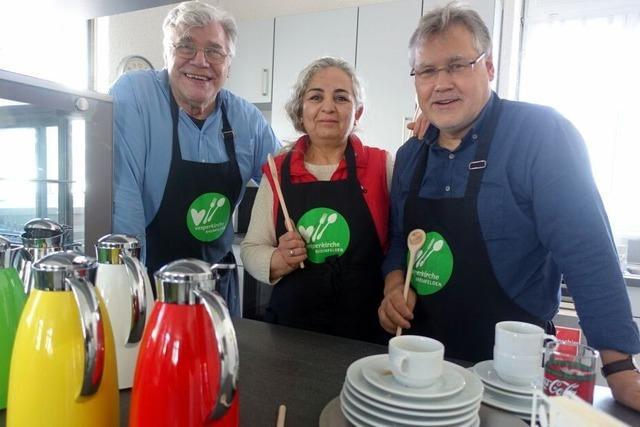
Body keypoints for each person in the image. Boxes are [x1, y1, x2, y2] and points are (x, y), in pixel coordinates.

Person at [378, 3, 640, 410]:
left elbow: (586, 252)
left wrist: (620, 367)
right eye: (427, 71)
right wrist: (395, 286)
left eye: (457, 65)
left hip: (511, 377)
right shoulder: (410, 156)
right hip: (423, 370)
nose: (441, 83)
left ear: (490, 67)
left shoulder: (541, 135)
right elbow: (399, 240)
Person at [110, 1, 280, 316]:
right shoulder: (136, 96)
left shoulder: (246, 119)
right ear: (167, 55)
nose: (200, 61)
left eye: (215, 51)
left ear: (229, 65)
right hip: (151, 287)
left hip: (217, 291)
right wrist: (130, 296)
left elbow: (287, 182)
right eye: (186, 46)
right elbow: (124, 205)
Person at [241, 57, 392, 343]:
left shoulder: (381, 165)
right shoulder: (277, 170)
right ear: (301, 109)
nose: (328, 107)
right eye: (316, 97)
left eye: (341, 98)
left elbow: (401, 246)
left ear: (357, 112)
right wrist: (278, 259)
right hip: (291, 334)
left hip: (365, 335)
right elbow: (250, 249)